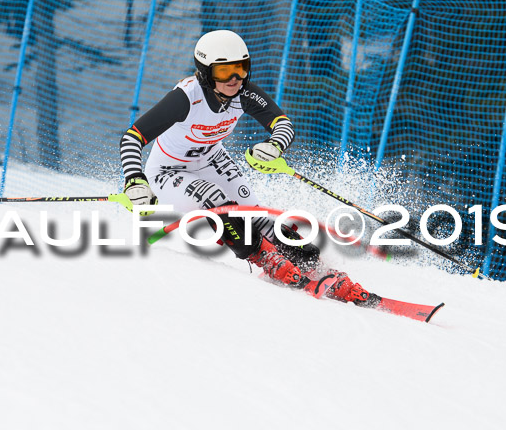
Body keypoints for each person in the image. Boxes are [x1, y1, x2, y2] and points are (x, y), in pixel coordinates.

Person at [119, 29, 367, 303]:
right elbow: (133, 137)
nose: (235, 79)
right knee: (217, 202)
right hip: (169, 171)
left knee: (258, 217)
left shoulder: (243, 92)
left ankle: (314, 266)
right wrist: (134, 179)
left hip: (212, 158)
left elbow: (282, 123)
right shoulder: (185, 98)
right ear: (205, 72)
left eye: (241, 68)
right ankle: (265, 258)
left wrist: (274, 146)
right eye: (225, 72)